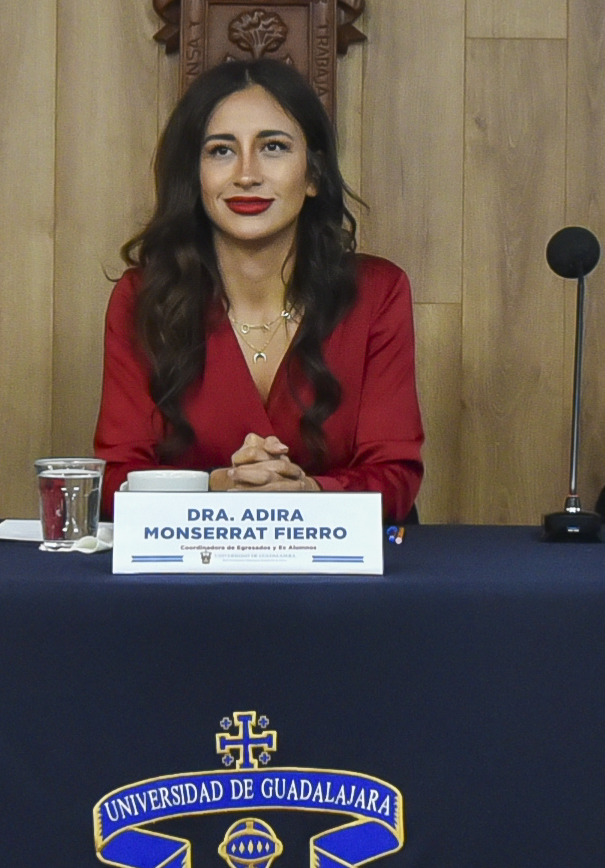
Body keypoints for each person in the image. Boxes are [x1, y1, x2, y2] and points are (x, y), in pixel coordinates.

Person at [93, 60, 421, 522]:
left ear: (313, 175)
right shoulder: (143, 297)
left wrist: (308, 492)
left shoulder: (377, 293)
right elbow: (115, 480)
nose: (246, 175)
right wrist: (217, 487)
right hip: (194, 561)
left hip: (335, 560)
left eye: (273, 147)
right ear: (195, 176)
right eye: (221, 151)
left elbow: (395, 475)